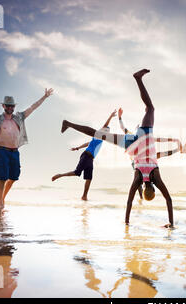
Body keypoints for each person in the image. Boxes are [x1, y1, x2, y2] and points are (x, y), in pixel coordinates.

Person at [60, 69, 179, 228]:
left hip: (143, 137)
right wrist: (126, 223)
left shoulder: (156, 175)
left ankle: (138, 79)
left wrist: (171, 223)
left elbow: (169, 200)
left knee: (150, 108)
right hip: (130, 144)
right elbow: (129, 201)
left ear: (154, 189)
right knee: (98, 134)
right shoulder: (138, 178)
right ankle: (68, 124)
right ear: (143, 188)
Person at [51, 110, 117, 201]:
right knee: (77, 173)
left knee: (89, 178)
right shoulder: (98, 134)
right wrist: (110, 116)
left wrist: (77, 147)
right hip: (86, 156)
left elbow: (87, 143)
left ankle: (84, 196)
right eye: (106, 130)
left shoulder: (99, 139)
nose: (107, 132)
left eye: (108, 131)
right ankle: (60, 175)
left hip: (90, 159)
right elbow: (105, 124)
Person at [117, 107, 143, 201]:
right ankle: (142, 199)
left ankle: (144, 196)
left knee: (143, 181)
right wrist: (120, 118)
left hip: (144, 162)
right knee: (138, 181)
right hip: (135, 162)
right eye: (138, 128)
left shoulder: (144, 138)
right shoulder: (131, 135)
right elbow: (123, 128)